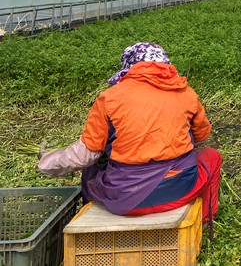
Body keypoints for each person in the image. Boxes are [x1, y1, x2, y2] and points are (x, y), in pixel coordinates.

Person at [38, 42, 222, 229]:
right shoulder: (186, 94)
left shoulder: (109, 98)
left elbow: (86, 155)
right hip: (179, 191)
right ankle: (206, 220)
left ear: (129, 68)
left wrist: (46, 162)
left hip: (126, 199)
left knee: (92, 169)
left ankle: (93, 227)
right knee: (212, 156)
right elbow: (201, 135)